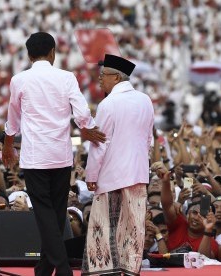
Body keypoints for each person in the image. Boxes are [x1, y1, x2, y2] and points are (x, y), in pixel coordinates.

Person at [2, 32, 105, 276]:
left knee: (46, 213)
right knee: (56, 213)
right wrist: (87, 128)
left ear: (29, 55)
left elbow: (13, 116)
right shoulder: (66, 77)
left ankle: (62, 268)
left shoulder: (19, 80)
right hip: (60, 154)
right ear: (52, 53)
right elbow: (80, 108)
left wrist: (7, 144)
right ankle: (45, 269)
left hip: (35, 156)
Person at [83, 54, 154, 276]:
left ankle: (104, 271)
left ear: (116, 77)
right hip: (138, 173)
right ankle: (130, 270)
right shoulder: (146, 100)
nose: (100, 81)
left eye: (103, 76)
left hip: (112, 174)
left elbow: (99, 144)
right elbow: (148, 140)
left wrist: (91, 175)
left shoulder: (108, 103)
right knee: (133, 228)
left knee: (104, 227)